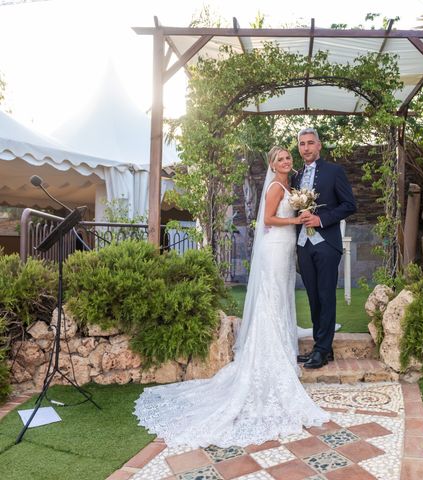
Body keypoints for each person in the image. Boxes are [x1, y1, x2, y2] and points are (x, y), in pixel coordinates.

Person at [133, 146, 330, 448]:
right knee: (272, 298)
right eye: (280, 159)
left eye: (288, 157)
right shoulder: (276, 187)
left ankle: (281, 346)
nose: (286, 161)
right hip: (277, 246)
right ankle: (270, 353)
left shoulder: (290, 185)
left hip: (285, 247)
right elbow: (267, 220)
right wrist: (295, 221)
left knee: (280, 299)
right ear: (272, 164)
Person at [293, 128, 357, 369]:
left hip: (327, 244)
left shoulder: (334, 172)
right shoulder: (296, 177)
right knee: (313, 297)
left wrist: (321, 219)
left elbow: (349, 205)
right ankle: (324, 348)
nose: (306, 147)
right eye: (302, 143)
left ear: (319, 146)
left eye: (310, 143)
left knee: (326, 295)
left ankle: (320, 349)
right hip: (303, 245)